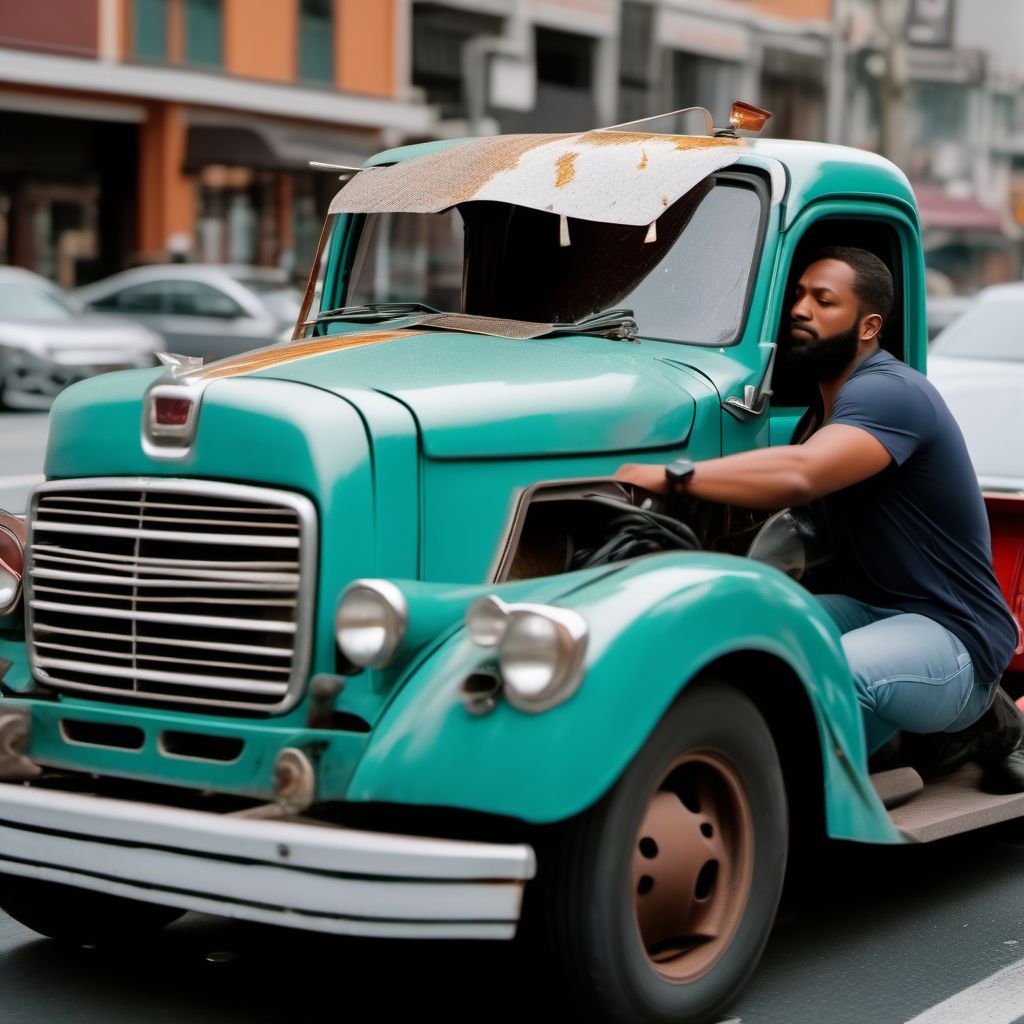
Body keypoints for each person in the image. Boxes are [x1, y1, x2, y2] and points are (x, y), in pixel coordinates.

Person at [615, 246, 1024, 788]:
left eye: (824, 301)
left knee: (826, 669)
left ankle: (981, 721)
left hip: (953, 639)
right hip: (873, 612)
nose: (800, 309)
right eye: (799, 296)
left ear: (868, 325)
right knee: (732, 637)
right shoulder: (820, 414)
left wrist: (672, 476)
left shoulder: (891, 393)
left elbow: (804, 472)